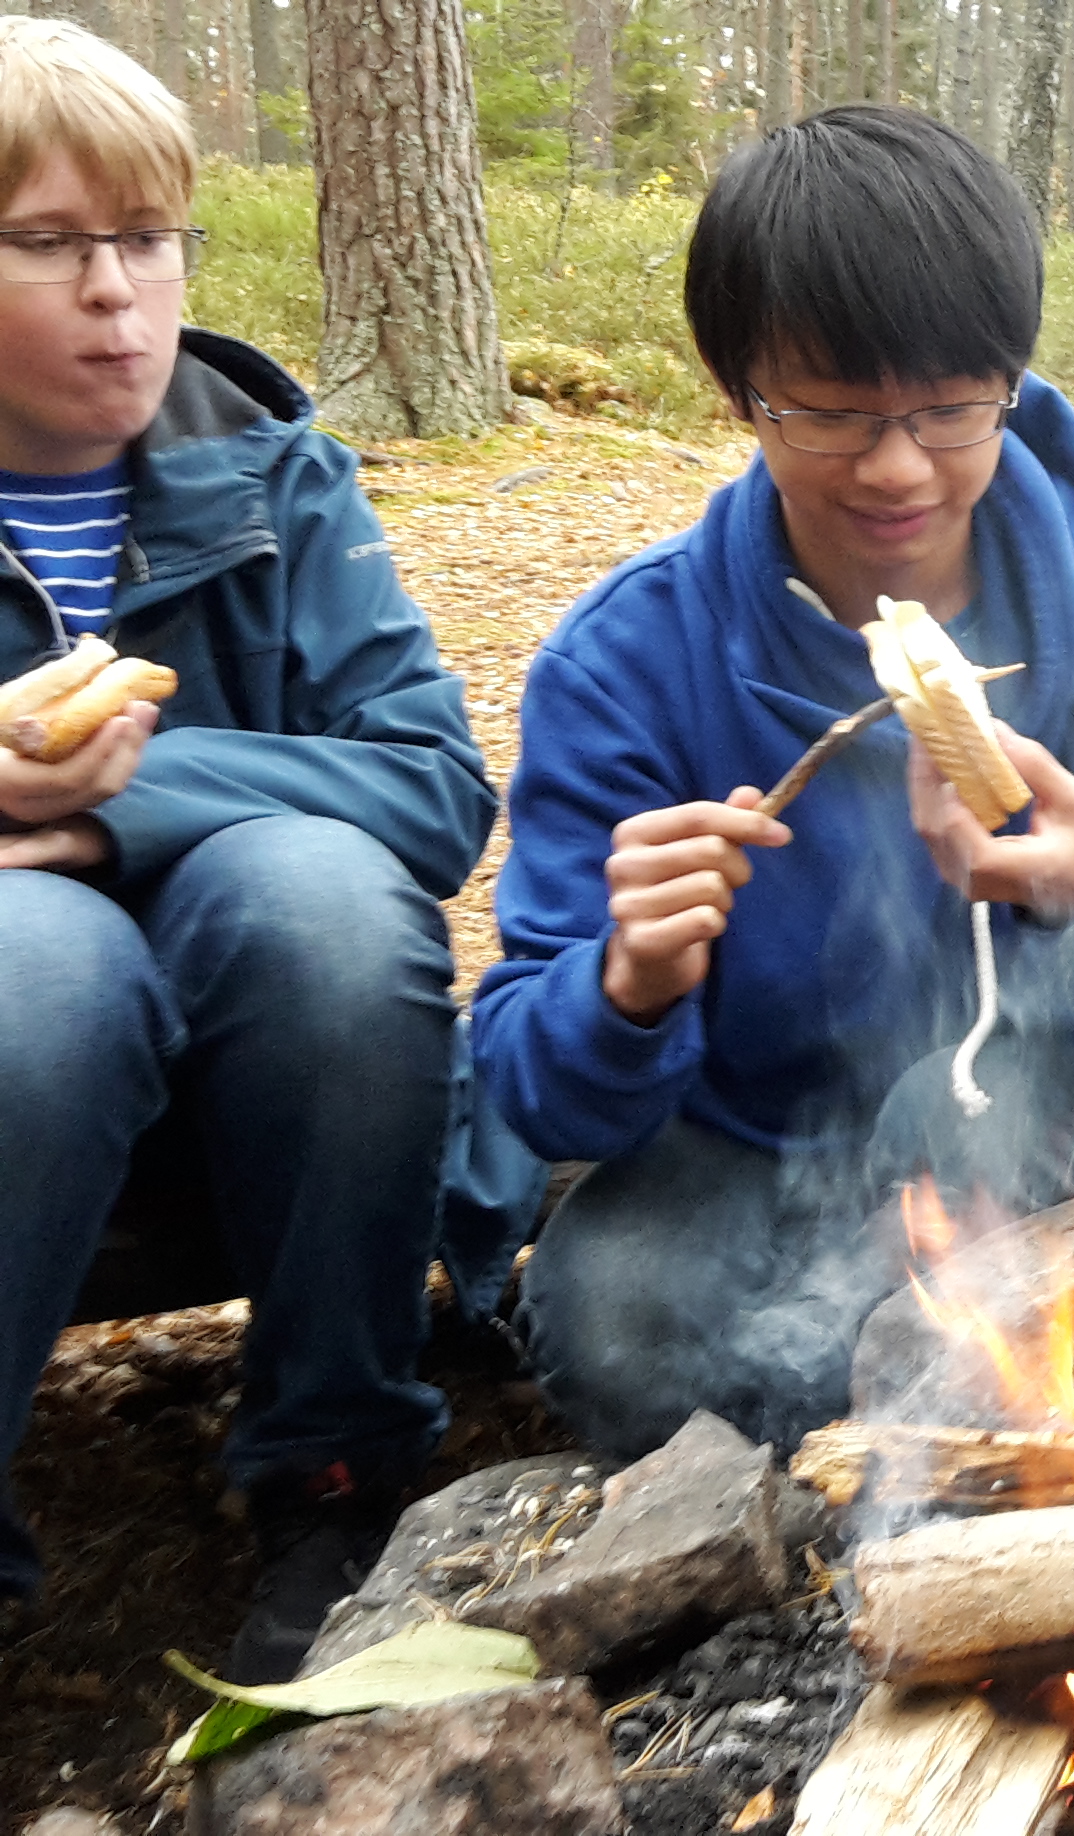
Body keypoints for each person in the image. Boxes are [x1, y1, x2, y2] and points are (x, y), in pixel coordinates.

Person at [475, 107, 1074, 1465]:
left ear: (1009, 379)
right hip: (741, 1140)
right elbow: (536, 1089)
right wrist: (627, 986)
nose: (898, 467)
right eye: (832, 413)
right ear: (739, 392)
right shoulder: (627, 661)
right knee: (608, 1322)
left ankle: (861, 1422)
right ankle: (856, 1426)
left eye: (951, 408)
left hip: (1030, 1116)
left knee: (973, 1147)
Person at [0, 17, 498, 1682]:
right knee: (35, 965)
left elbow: (431, 789)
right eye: (48, 244)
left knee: (320, 899)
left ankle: (333, 1479)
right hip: (27, 1083)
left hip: (276, 1087)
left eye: (143, 237)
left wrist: (104, 810)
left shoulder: (275, 478)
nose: (115, 294)